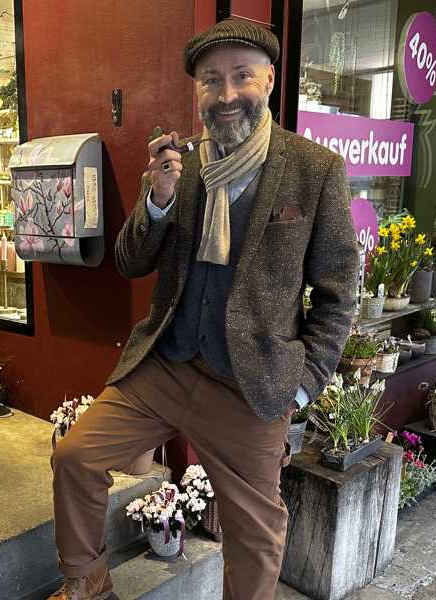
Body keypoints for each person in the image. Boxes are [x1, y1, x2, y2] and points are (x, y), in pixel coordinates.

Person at [48, 18, 359, 600]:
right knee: (75, 457)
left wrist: (301, 387)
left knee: (255, 536)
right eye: (211, 81)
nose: (226, 94)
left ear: (269, 80)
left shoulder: (314, 169)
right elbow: (129, 262)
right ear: (198, 91)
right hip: (166, 365)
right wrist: (157, 199)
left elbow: (339, 294)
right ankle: (87, 585)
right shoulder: (181, 164)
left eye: (242, 76)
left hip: (249, 385)